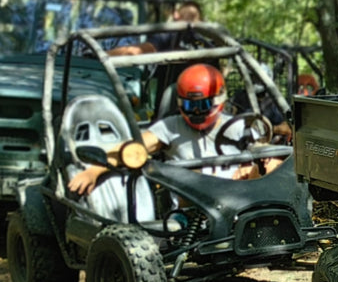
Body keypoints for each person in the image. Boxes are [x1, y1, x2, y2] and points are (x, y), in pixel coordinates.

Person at [67, 62, 281, 197]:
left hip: (238, 199)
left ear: (219, 100)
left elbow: (266, 154)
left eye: (203, 105)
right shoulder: (170, 127)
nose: (196, 112)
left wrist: (251, 169)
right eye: (190, 106)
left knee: (272, 165)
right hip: (193, 208)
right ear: (180, 103)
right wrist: (94, 171)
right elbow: (132, 149)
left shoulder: (238, 126)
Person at [109, 0, 203, 56]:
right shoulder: (205, 44)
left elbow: (137, 51)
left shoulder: (168, 34)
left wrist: (102, 55)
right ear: (200, 21)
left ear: (176, 15)